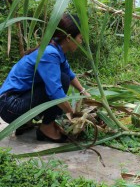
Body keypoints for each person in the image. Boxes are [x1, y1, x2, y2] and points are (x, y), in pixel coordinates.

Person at [0, 13, 90, 143]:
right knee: (61, 81)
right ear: (69, 38)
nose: (81, 42)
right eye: (80, 38)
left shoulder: (57, 50)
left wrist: (83, 92)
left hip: (13, 100)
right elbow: (56, 93)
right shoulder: (49, 53)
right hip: (9, 106)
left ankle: (26, 123)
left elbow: (69, 73)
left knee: (64, 78)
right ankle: (46, 128)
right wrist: (73, 115)